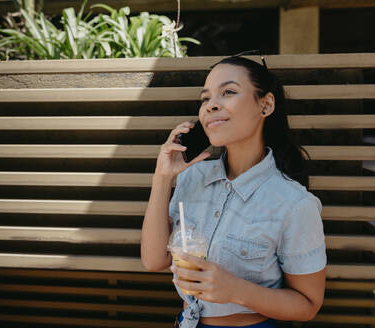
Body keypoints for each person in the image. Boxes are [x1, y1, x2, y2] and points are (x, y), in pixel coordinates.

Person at [140, 51, 327, 328]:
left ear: (266, 105)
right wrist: (162, 177)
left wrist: (235, 290)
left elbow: (308, 305)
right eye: (205, 98)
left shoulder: (295, 204)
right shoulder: (192, 178)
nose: (211, 105)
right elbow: (155, 260)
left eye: (228, 92)